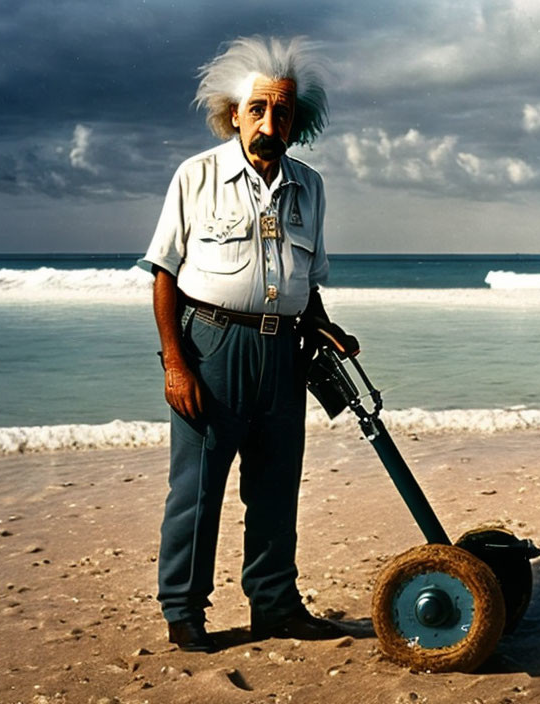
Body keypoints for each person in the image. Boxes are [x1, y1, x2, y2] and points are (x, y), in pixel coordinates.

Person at [143, 35, 357, 653]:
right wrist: (176, 365)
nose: (270, 122)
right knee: (198, 488)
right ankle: (183, 610)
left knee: (276, 486)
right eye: (258, 109)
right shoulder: (197, 175)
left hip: (284, 355)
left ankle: (275, 605)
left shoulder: (309, 187)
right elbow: (163, 274)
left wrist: (327, 329)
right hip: (212, 349)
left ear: (297, 120)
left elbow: (304, 283)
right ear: (233, 113)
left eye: (282, 111)